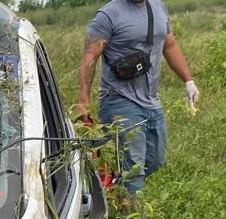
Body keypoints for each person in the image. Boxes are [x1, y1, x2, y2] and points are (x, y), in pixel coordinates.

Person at [76, 0, 198, 195]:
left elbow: (170, 45)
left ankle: (112, 188)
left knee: (154, 160)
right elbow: (89, 58)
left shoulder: (158, 7)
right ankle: (134, 218)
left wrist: (188, 80)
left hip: (151, 100)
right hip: (119, 101)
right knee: (133, 170)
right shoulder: (108, 15)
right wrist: (83, 101)